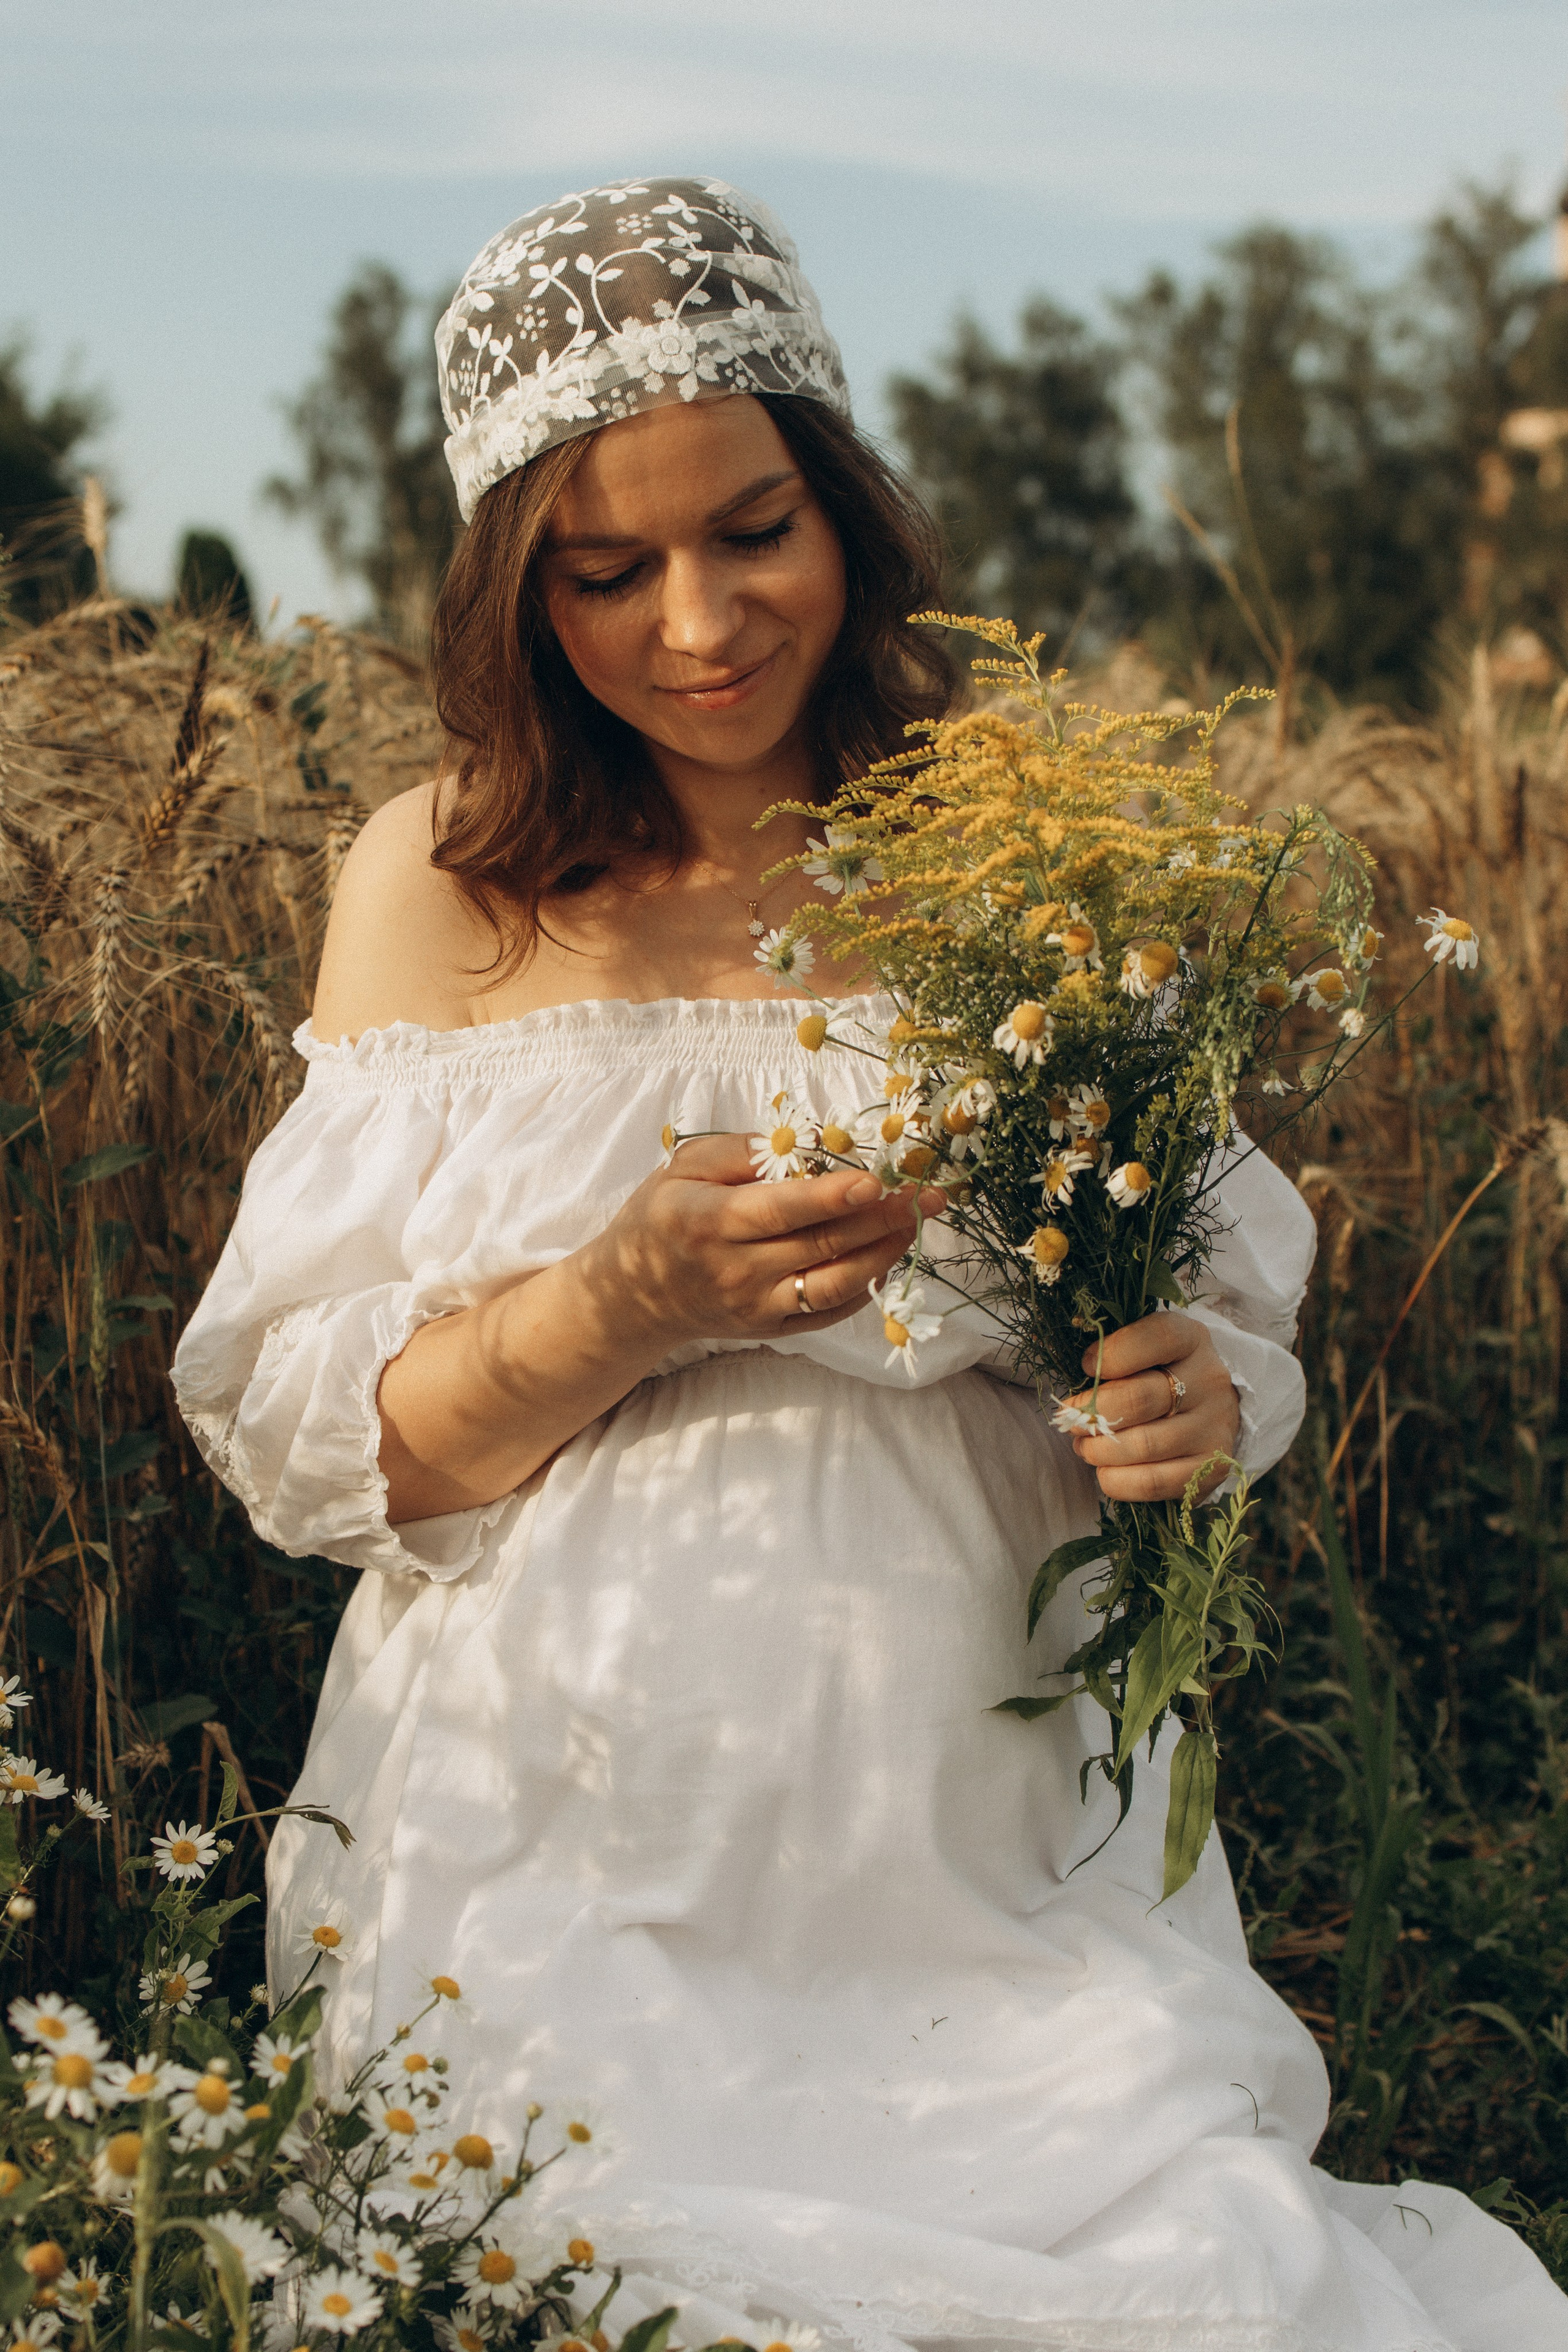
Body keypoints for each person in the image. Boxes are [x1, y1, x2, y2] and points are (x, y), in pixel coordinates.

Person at [172, 176, 1567, 2352]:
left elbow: (1207, 1308)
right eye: (607, 571)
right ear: (509, 594)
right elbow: (323, 1453)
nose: (704, 622)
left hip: (984, 1828)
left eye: (756, 531)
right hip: (571, 1842)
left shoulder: (1024, 834)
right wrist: (625, 1301)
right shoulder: (440, 880)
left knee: (1168, 2271)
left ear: (849, 504)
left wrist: (1197, 1394)